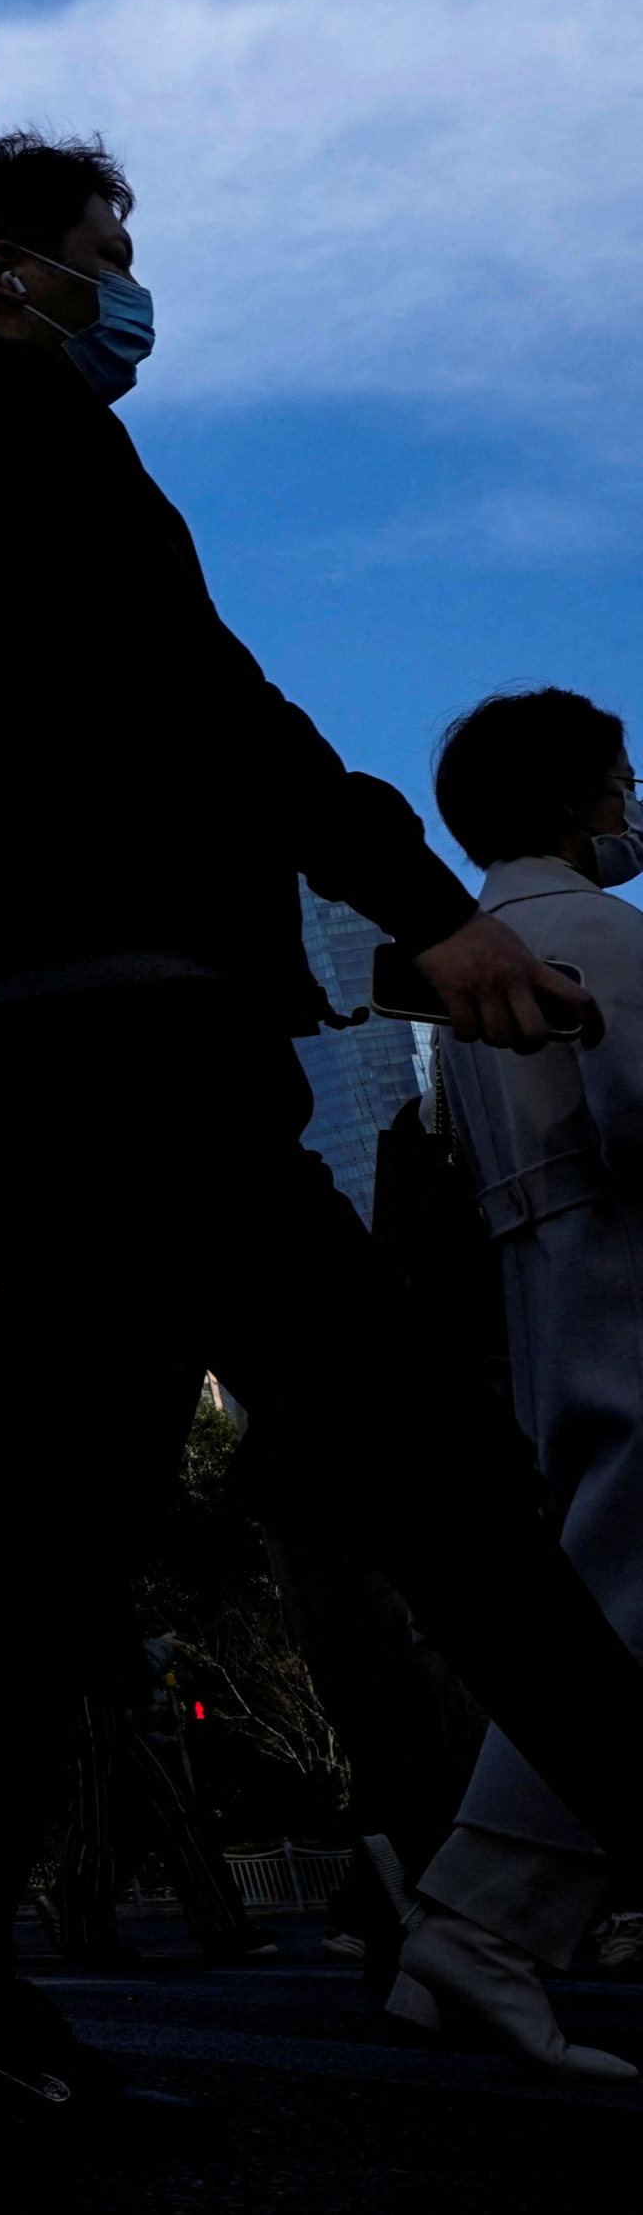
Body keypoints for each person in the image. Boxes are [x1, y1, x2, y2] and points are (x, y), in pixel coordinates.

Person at [0, 135, 643, 2139]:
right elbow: (214, 712)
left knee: (42, 1554)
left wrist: (344, 966)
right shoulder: (19, 453)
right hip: (136, 1078)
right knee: (444, 1490)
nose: (134, 290)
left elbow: (87, 781)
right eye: (111, 254)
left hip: (68, 1058)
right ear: (9, 274)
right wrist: (419, 907)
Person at [385, 690, 643, 2080]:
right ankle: (476, 1927)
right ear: (577, 800)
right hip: (622, 1283)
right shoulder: (597, 935)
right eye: (621, 776)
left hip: (544, 1291)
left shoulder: (474, 966)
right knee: (615, 1616)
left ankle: (471, 1934)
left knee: (598, 1602)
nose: (632, 799)